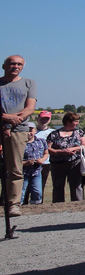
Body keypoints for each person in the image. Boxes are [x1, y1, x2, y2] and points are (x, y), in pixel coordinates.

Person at [1, 54, 37, 218]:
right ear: (4, 66)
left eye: (19, 64)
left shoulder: (29, 83)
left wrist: (13, 121)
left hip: (18, 129)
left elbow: (30, 108)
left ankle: (13, 205)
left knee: (15, 168)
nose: (15, 66)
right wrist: (6, 118)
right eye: (12, 64)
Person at [47, 112, 85, 202]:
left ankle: (77, 204)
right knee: (58, 186)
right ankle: (58, 205)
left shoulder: (79, 133)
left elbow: (84, 146)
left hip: (75, 162)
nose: (77, 123)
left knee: (76, 185)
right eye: (76, 121)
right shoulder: (54, 134)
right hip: (57, 164)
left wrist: (73, 149)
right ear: (68, 122)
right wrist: (61, 152)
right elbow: (47, 149)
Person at [20, 121, 46, 205]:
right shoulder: (19, 144)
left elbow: (46, 153)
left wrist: (42, 159)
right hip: (23, 172)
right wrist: (25, 163)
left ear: (35, 130)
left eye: (31, 130)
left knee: (37, 191)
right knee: (21, 192)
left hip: (36, 171)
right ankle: (18, 206)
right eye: (27, 130)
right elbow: (14, 160)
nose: (29, 133)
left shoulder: (41, 141)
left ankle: (35, 208)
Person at [35, 110, 54, 194]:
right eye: (42, 118)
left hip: (46, 162)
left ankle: (39, 202)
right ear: (38, 119)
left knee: (42, 184)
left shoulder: (53, 132)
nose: (44, 121)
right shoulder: (32, 132)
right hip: (33, 161)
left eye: (47, 119)